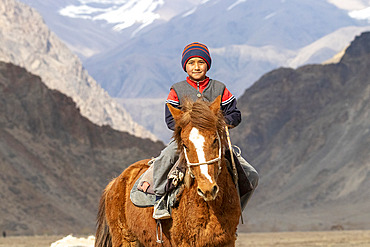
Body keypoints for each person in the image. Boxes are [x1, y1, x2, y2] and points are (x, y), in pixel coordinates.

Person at [152, 42, 258, 220]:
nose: (196, 67)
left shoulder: (219, 88)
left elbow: (235, 114)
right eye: (191, 63)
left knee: (251, 175)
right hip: (187, 140)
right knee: (165, 158)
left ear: (207, 65)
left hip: (213, 141)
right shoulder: (176, 90)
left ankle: (235, 210)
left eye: (200, 62)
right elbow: (171, 120)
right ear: (185, 66)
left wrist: (220, 123)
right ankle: (159, 200)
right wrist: (188, 128)